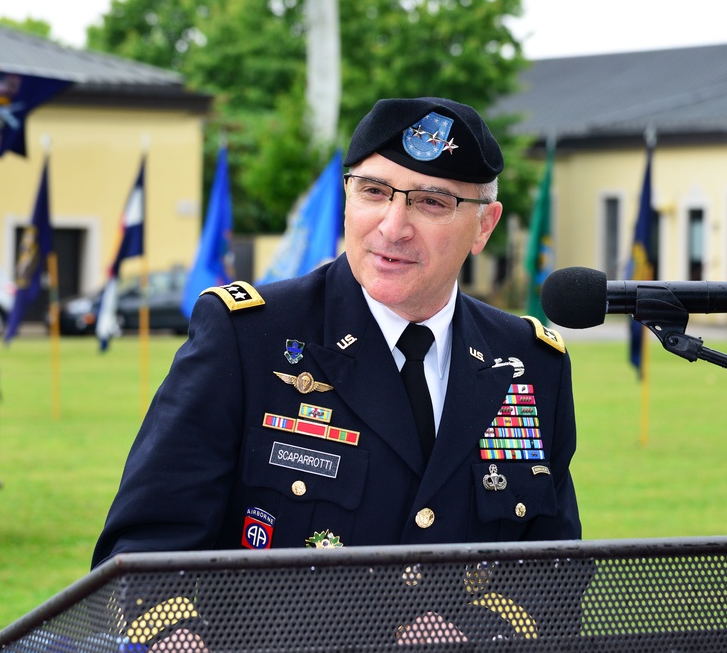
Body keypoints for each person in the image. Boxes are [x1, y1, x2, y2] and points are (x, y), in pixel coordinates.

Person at [92, 96, 584, 648]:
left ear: (483, 226)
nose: (393, 227)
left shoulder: (529, 364)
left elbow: (553, 567)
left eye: (431, 202)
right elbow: (142, 548)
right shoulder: (250, 338)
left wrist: (474, 634)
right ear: (347, 199)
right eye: (373, 192)